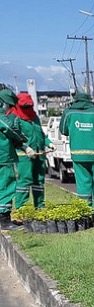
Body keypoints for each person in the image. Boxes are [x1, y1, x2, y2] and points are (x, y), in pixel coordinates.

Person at [59, 92, 94, 218]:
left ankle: (86, 210)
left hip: (78, 154)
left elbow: (63, 130)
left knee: (83, 182)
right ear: (89, 100)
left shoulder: (68, 113)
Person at [9, 93, 49, 210]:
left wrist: (48, 142)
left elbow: (40, 134)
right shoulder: (14, 118)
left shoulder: (35, 117)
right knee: (25, 180)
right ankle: (22, 207)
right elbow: (15, 137)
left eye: (29, 106)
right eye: (24, 107)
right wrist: (25, 147)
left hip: (39, 154)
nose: (27, 109)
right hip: (24, 155)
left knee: (39, 181)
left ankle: (40, 206)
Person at [0, 89, 29, 230]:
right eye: (9, 106)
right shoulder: (2, 118)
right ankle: (4, 219)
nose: (10, 110)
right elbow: (10, 130)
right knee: (6, 186)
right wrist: (23, 145)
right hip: (4, 157)